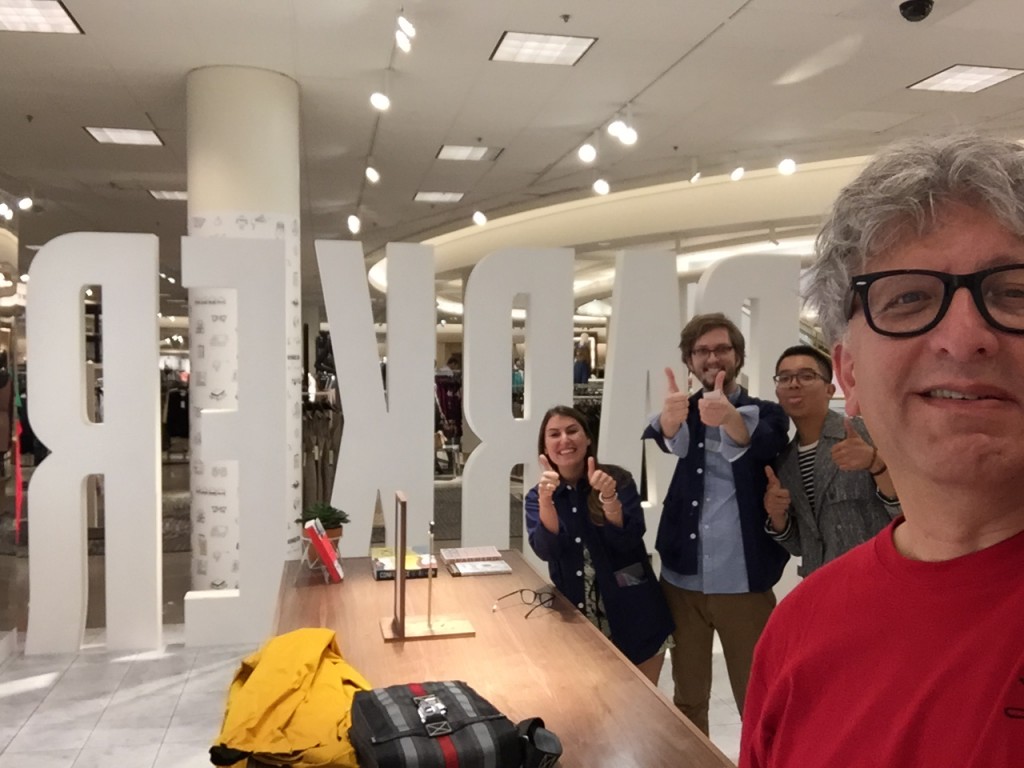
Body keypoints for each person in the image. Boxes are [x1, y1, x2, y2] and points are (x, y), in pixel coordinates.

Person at [740, 133, 1024, 767]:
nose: (963, 336)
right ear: (852, 376)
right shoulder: (796, 634)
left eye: (1014, 292)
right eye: (908, 299)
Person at [642, 313, 789, 735]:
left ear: (738, 355)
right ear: (690, 361)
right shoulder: (680, 409)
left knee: (760, 698)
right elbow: (669, 439)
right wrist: (670, 423)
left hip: (743, 580)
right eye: (702, 351)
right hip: (681, 578)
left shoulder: (765, 412)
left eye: (722, 348)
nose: (712, 357)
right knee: (688, 697)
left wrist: (728, 418)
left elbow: (762, 442)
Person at [525, 405, 673, 684]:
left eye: (572, 431)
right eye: (554, 434)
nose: (564, 440)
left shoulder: (617, 480)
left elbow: (628, 541)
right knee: (594, 713)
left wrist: (609, 499)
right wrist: (547, 501)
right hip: (578, 622)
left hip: (638, 617)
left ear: (588, 438)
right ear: (544, 445)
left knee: (641, 709)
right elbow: (548, 550)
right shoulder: (537, 496)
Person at [763, 344, 900, 576]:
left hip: (877, 577)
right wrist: (777, 516)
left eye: (806, 376)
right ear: (778, 392)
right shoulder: (785, 463)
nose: (794, 384)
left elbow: (907, 514)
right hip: (821, 584)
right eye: (784, 378)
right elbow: (800, 546)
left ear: (829, 389)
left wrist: (875, 463)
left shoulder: (867, 433)